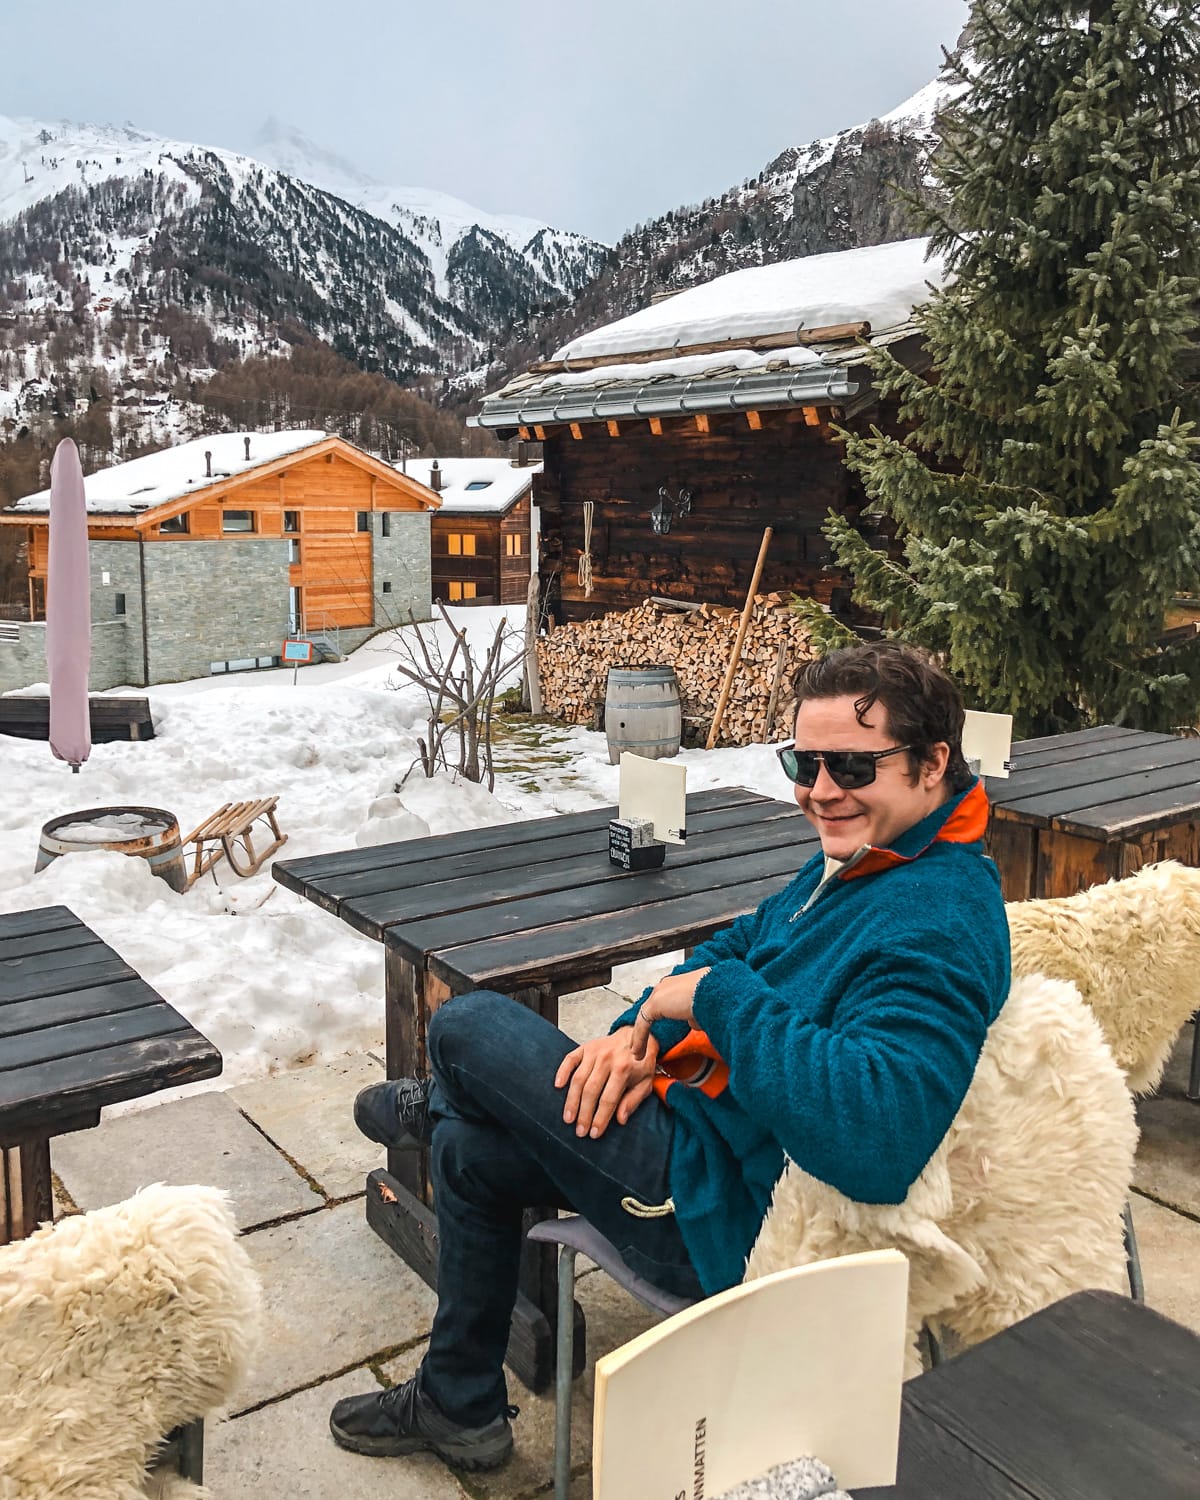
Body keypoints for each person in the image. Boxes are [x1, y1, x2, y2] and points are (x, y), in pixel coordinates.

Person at [328, 641, 1011, 1470]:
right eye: (805, 761)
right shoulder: (874, 857)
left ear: (933, 762)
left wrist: (716, 1003)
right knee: (466, 1151)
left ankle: (436, 1094)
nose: (822, 791)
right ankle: (458, 1404)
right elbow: (742, 940)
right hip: (688, 1130)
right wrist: (638, 1030)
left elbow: (878, 1141)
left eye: (853, 768)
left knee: (466, 1026)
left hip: (714, 1211)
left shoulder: (939, 915)